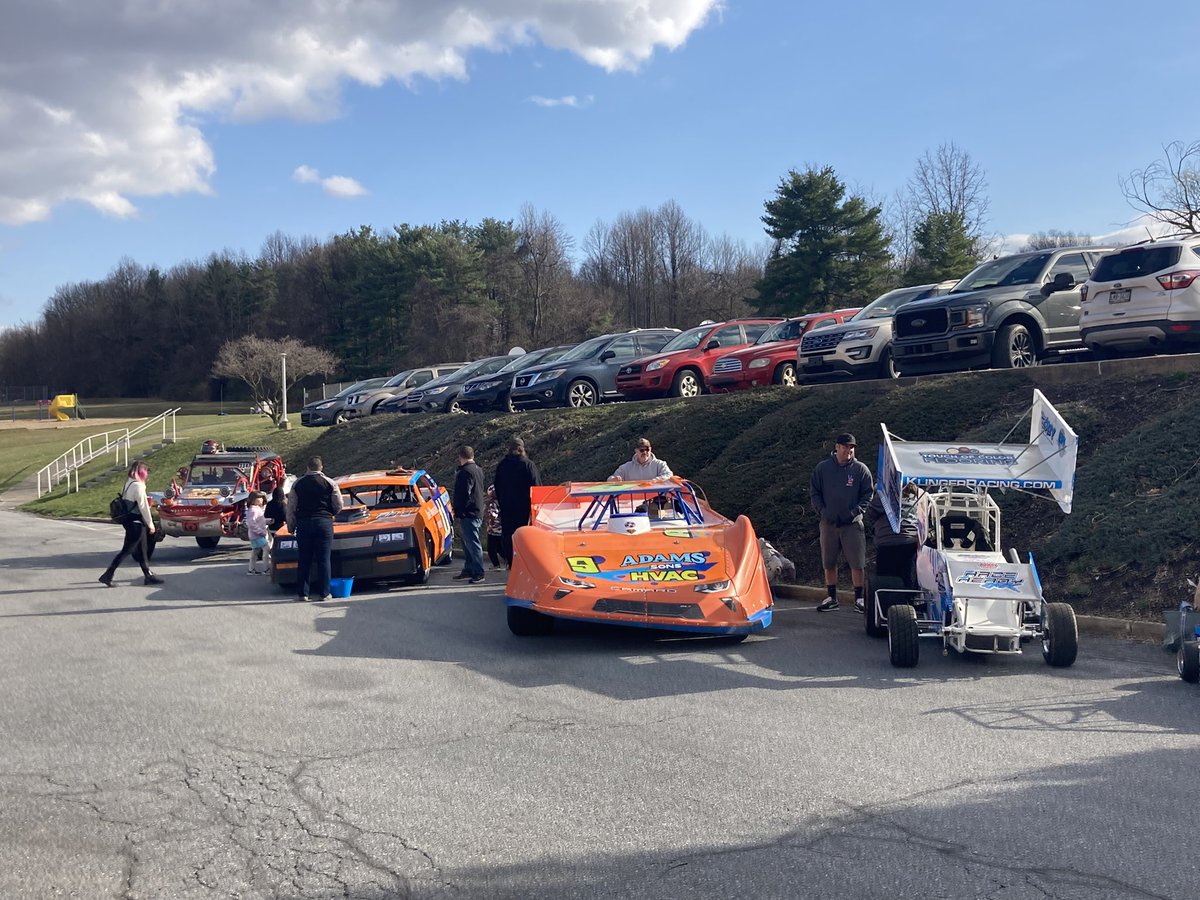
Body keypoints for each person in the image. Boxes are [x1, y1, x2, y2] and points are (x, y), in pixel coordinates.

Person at [810, 432, 874, 613]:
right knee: (828, 561)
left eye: (852, 447)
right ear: (837, 447)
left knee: (857, 562)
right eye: (846, 447)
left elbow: (868, 494)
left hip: (852, 524)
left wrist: (854, 512)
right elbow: (815, 492)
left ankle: (859, 598)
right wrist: (823, 511)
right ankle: (831, 597)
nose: (849, 450)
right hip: (828, 523)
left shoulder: (860, 470)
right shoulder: (823, 468)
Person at [99, 460, 165, 587]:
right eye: (146, 471)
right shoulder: (138, 486)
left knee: (143, 550)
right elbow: (143, 507)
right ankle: (108, 574)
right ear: (142, 472)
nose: (147, 474)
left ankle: (148, 575)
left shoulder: (128, 483)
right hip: (136, 523)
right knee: (127, 550)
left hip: (130, 521)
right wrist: (151, 524)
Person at [286, 456, 343, 602]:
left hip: (304, 523)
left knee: (304, 559)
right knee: (324, 559)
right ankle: (324, 593)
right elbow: (338, 503)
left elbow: (291, 507)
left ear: (307, 467)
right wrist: (331, 513)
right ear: (321, 467)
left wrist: (291, 526)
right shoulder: (329, 482)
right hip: (323, 522)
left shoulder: (297, 484)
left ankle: (303, 593)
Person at [493, 436, 541, 567]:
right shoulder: (528, 465)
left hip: (507, 507)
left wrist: (502, 501)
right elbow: (536, 487)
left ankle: (511, 562)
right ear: (522, 449)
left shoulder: (502, 465)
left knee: (509, 535)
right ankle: (524, 561)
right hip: (524, 508)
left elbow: (497, 486)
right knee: (525, 535)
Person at [866, 482, 922, 586]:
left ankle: (887, 594)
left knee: (885, 579)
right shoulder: (917, 497)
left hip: (887, 541)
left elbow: (871, 512)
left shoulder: (885, 494)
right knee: (906, 576)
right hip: (911, 541)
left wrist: (876, 492)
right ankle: (908, 593)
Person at [452, 446, 487, 584]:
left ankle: (478, 572)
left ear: (461, 456)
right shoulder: (478, 469)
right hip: (477, 509)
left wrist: (458, 510)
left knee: (472, 543)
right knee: (467, 542)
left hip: (469, 512)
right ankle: (469, 569)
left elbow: (464, 494)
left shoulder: (465, 472)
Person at [608, 438, 672, 482]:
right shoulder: (626, 467)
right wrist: (614, 479)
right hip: (633, 498)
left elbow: (669, 475)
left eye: (647, 449)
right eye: (642, 450)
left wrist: (654, 481)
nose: (645, 452)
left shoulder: (660, 464)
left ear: (650, 449)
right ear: (636, 451)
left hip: (655, 498)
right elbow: (610, 479)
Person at [245, 491, 270, 575]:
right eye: (258, 498)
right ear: (253, 500)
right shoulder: (253, 510)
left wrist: (267, 521)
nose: (261, 500)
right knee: (266, 549)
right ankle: (266, 569)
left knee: (255, 551)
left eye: (262, 498)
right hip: (258, 535)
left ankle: (251, 569)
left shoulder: (255, 509)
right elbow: (252, 524)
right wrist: (261, 532)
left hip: (254, 535)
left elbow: (258, 521)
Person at [483, 485, 504, 570]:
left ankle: (496, 565)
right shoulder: (501, 501)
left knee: (491, 548)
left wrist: (487, 515)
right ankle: (508, 561)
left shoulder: (492, 503)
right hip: (499, 528)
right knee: (499, 547)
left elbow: (493, 515)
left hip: (494, 529)